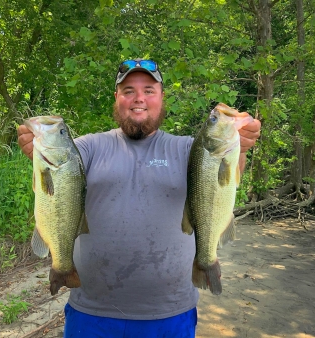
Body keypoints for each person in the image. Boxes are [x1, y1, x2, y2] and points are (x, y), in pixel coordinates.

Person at [18, 58, 261, 338]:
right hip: (92, 312)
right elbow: (59, 176)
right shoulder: (87, 147)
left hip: (171, 312)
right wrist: (36, 151)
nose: (139, 99)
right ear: (117, 98)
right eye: (128, 91)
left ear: (161, 97)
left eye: (148, 90)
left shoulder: (188, 150)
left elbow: (223, 180)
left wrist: (240, 147)